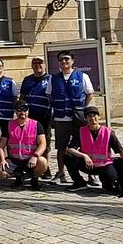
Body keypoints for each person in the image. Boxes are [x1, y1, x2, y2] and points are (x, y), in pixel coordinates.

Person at [46, 50, 94, 184]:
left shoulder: (82, 76)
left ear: (72, 61)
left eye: (67, 59)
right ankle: (61, 173)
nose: (64, 62)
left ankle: (91, 175)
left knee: (84, 146)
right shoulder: (53, 78)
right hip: (61, 118)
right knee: (61, 147)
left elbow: (89, 94)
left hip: (78, 119)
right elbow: (49, 95)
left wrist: (83, 109)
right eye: (61, 59)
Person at [65, 106, 123, 192]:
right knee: (67, 156)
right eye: (89, 116)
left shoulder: (108, 133)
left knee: (111, 179)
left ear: (99, 117)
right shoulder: (81, 131)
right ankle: (79, 182)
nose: (92, 118)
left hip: (103, 165)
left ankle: (106, 182)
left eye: (94, 115)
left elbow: (122, 152)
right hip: (87, 164)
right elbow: (70, 149)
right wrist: (84, 156)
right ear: (85, 119)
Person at [0, 100, 48, 190]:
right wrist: (2, 160)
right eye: (20, 110)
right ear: (15, 111)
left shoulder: (36, 124)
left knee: (43, 162)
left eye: (25, 110)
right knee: (2, 174)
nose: (22, 112)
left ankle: (34, 178)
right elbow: (1, 145)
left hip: (31, 159)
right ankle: (18, 177)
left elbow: (43, 144)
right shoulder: (9, 125)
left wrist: (35, 156)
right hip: (14, 160)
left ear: (28, 111)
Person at [20, 56, 53, 179]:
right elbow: (22, 96)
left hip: (44, 115)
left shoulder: (51, 79)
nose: (37, 65)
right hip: (30, 116)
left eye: (40, 63)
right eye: (34, 63)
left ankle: (46, 167)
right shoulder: (27, 79)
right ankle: (31, 166)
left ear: (45, 65)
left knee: (45, 142)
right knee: (29, 141)